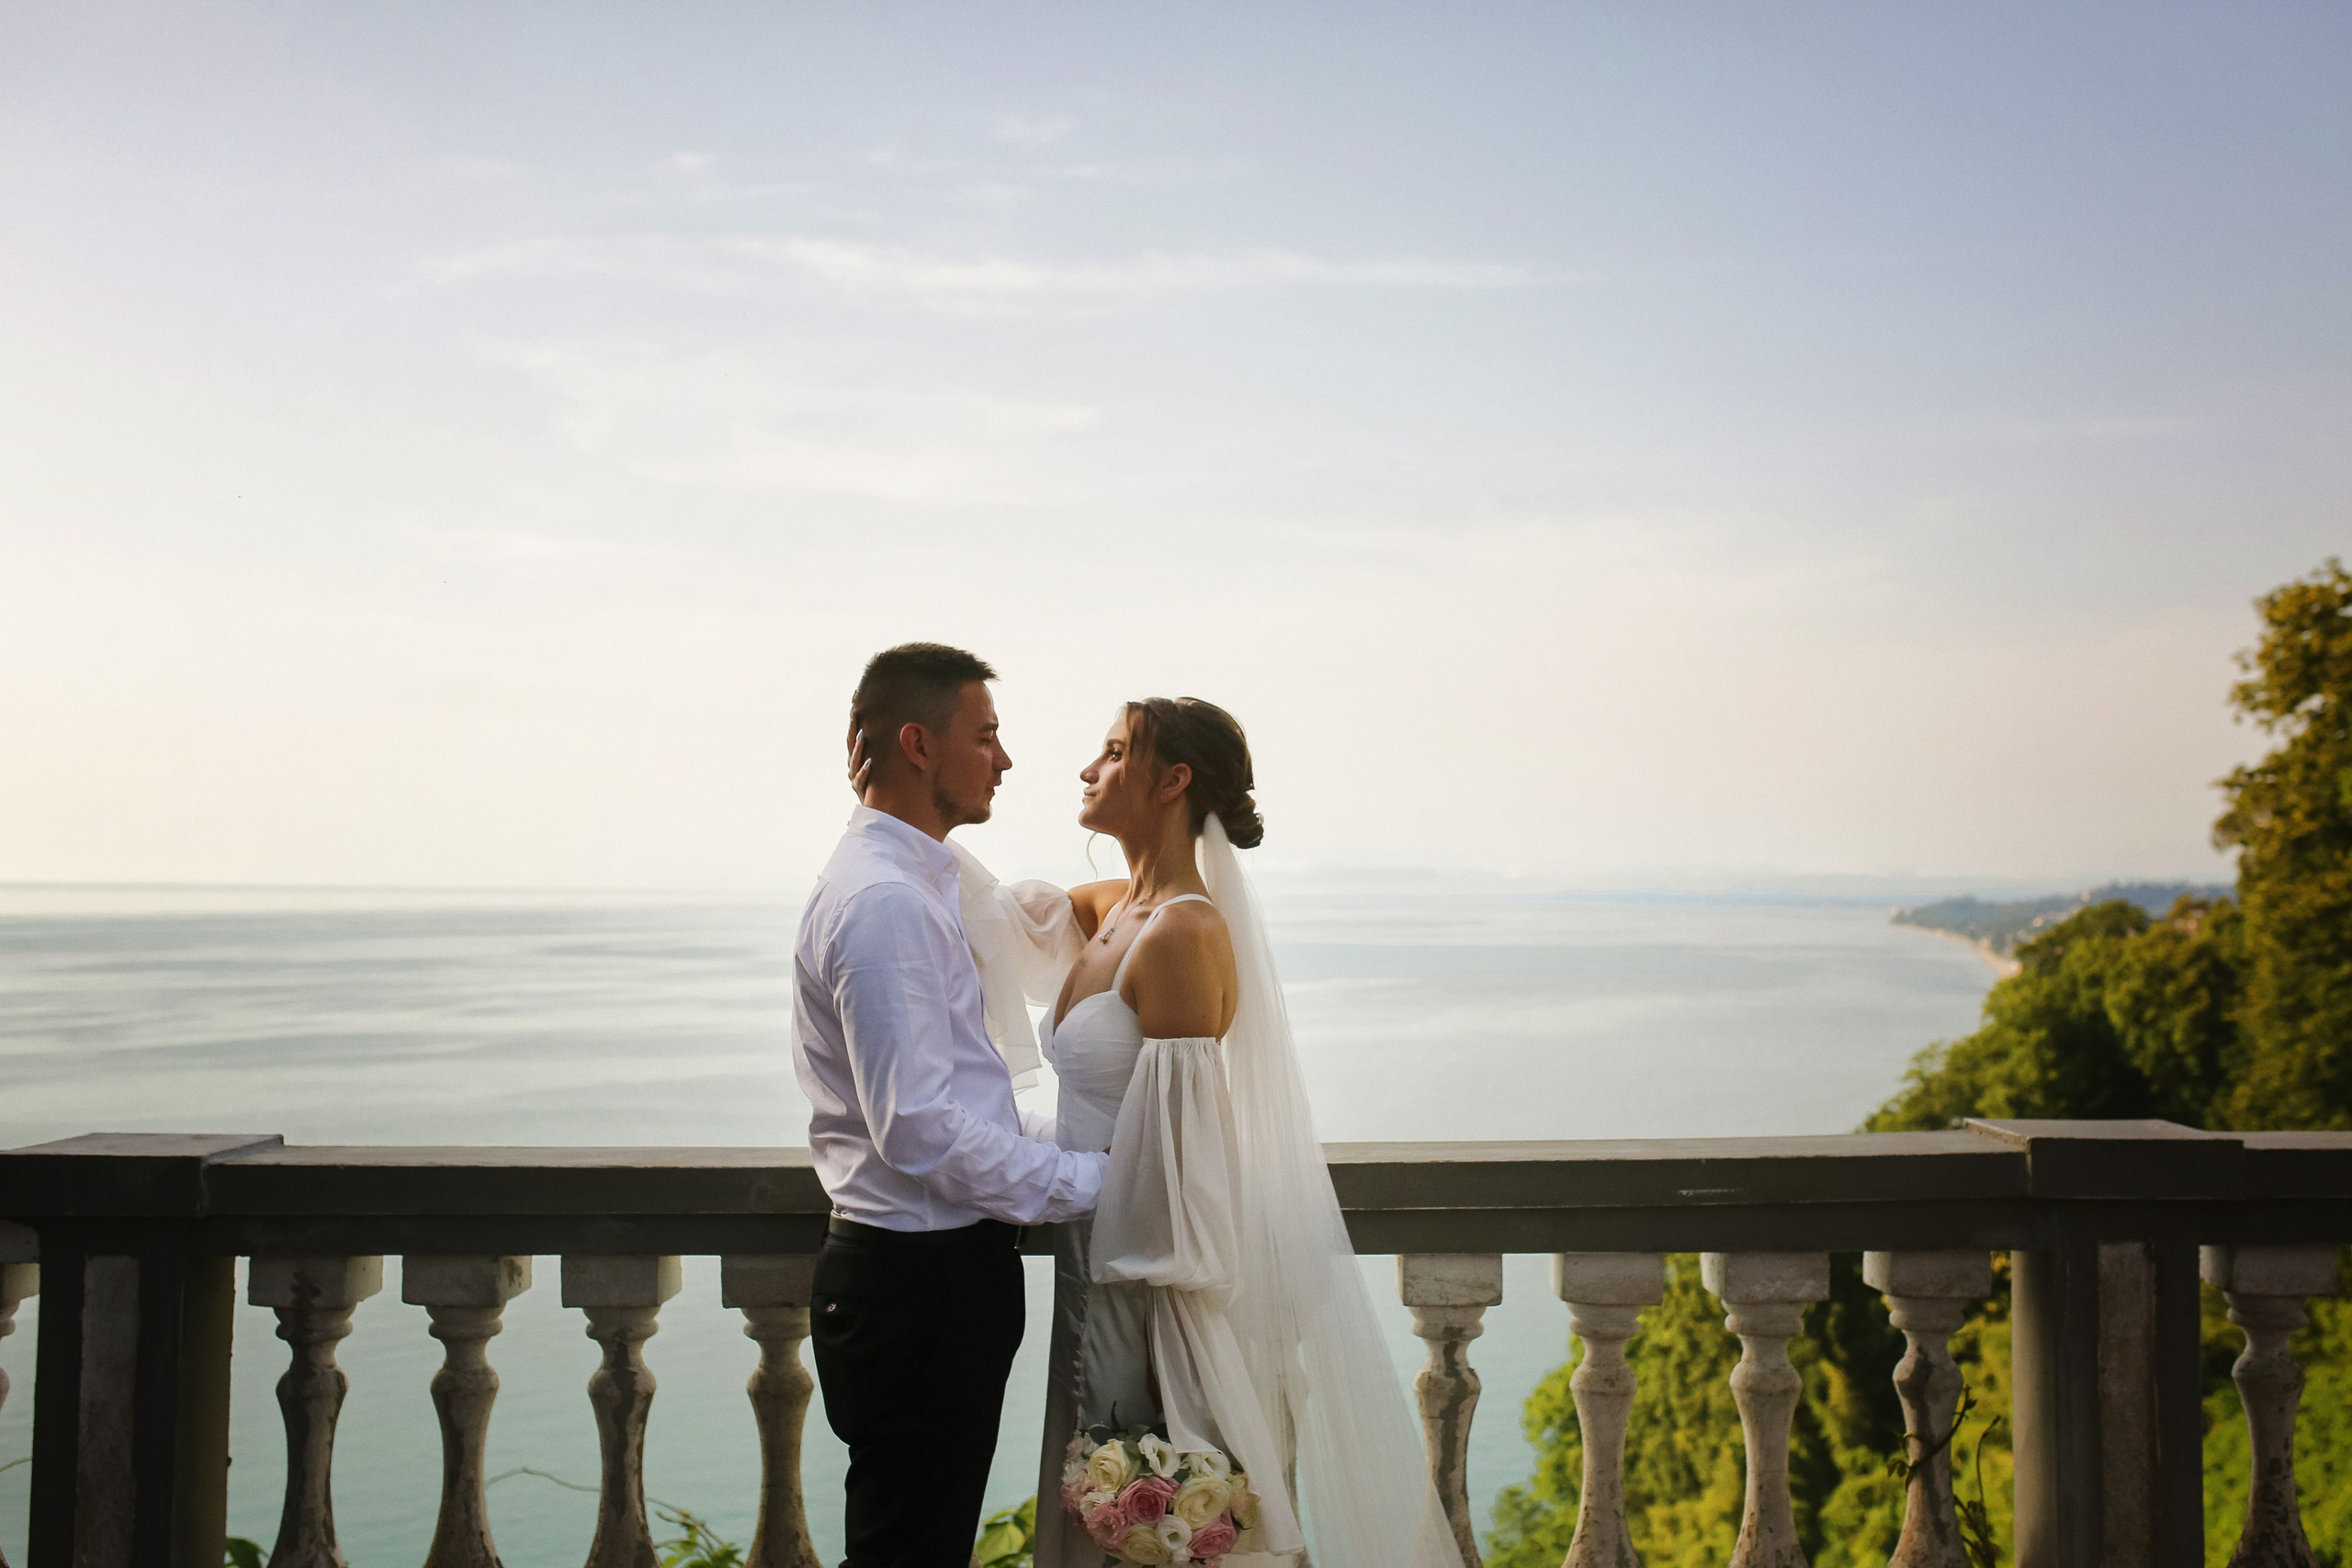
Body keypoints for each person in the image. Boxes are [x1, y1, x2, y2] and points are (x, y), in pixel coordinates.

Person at [955, 698, 1462, 1568]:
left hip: (1139, 1300)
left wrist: (1169, 1383)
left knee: (1133, 1531)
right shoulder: (1114, 910)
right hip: (1086, 1275)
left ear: (1173, 780)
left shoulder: (1183, 931)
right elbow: (980, 910)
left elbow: (1183, 1166)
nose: (1087, 770)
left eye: (1113, 753)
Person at [792, 642, 1107, 1568]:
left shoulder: (913, 886)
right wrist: (1094, 1178)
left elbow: (961, 1102)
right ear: (918, 746)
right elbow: (919, 1128)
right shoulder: (886, 903)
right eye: (987, 735)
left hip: (923, 1284)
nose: (1003, 760)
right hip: (916, 1287)